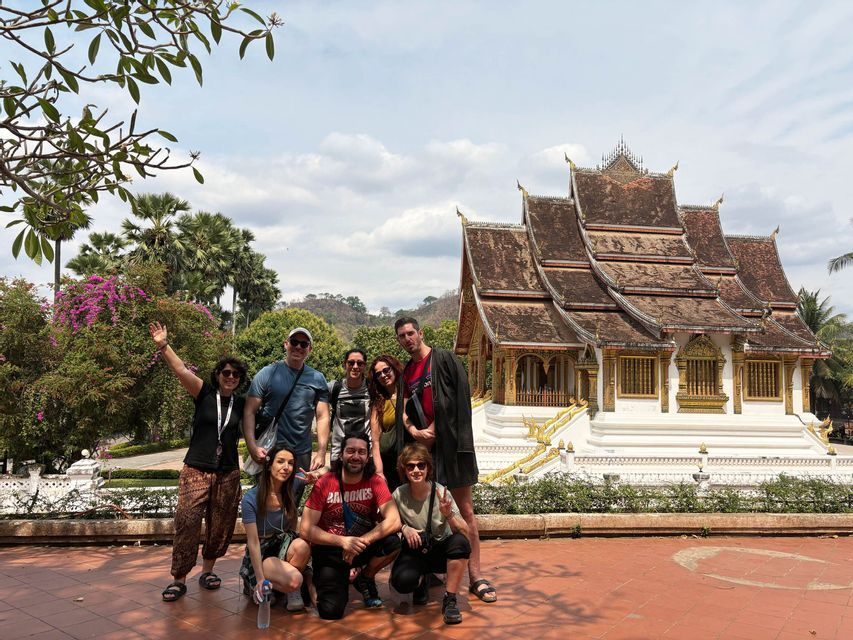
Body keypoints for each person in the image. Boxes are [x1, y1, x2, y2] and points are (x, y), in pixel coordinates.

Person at [394, 316, 497, 604]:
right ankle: (428, 571)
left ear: (420, 333)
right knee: (426, 512)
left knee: (465, 513)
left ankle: (475, 576)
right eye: (402, 336)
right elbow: (403, 409)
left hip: (452, 449)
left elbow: (462, 399)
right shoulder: (407, 373)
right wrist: (415, 430)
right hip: (424, 454)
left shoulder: (445, 360)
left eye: (411, 333)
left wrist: (438, 430)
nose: (407, 339)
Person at [148, 321, 247, 602]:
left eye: (236, 374)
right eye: (226, 373)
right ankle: (179, 579)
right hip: (196, 469)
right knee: (188, 521)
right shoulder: (204, 393)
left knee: (221, 524)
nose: (231, 377)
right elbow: (181, 370)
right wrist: (164, 345)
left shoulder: (241, 404)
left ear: (240, 378)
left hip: (227, 472)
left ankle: (208, 571)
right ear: (217, 375)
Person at [299, 433, 402, 620]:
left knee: (393, 543)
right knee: (330, 612)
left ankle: (366, 577)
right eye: (351, 451)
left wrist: (360, 542)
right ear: (341, 455)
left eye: (361, 452)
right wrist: (342, 541)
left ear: (368, 457)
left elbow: (394, 520)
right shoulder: (325, 482)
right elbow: (306, 529)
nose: (356, 456)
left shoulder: (374, 481)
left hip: (360, 546)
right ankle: (310, 577)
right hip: (330, 548)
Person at [243, 327, 330, 501]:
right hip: (270, 450)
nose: (298, 347)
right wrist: (252, 447)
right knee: (266, 500)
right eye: (294, 342)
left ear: (309, 349)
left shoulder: (317, 378)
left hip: (301, 452)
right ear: (286, 344)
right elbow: (249, 411)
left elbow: (322, 416)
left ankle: (288, 530)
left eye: (303, 344)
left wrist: (321, 451)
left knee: (292, 501)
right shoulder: (267, 373)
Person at [390, 443, 470, 625]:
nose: (416, 470)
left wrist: (448, 513)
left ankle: (450, 599)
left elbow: (465, 531)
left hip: (439, 548)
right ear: (404, 469)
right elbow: (386, 521)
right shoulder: (399, 494)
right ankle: (421, 581)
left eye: (421, 465)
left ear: (428, 468)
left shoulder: (441, 492)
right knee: (402, 582)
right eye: (410, 466)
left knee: (461, 543)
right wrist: (404, 528)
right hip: (415, 549)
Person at [240, 446, 311, 612]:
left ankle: (292, 591)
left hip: (283, 544)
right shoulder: (251, 499)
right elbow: (253, 542)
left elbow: (328, 469)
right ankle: (259, 583)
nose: (286, 467)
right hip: (262, 550)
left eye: (291, 463)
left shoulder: (291, 486)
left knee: (302, 546)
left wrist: (315, 475)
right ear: (269, 464)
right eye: (280, 461)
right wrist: (259, 579)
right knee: (294, 579)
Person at [367, 354, 406, 490]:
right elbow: (375, 440)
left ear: (394, 368)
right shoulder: (379, 403)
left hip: (412, 460)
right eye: (378, 374)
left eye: (386, 370)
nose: (383, 375)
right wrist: (379, 471)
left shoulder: (409, 393)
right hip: (390, 462)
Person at [329, 349, 371, 462]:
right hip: (339, 453)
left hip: (365, 454)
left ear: (364, 366)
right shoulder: (334, 388)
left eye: (360, 363)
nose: (355, 366)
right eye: (351, 363)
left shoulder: (371, 388)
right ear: (345, 364)